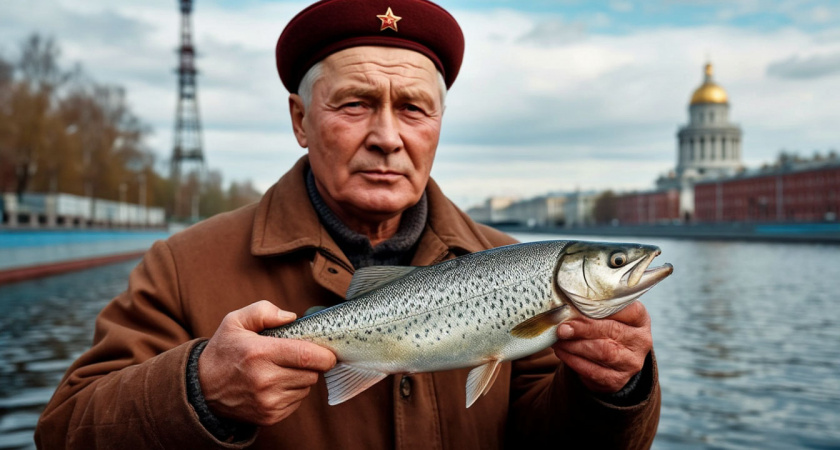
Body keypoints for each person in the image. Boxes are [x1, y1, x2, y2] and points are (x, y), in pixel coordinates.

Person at [35, 0, 661, 448]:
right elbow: (64, 431)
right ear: (301, 120)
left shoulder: (507, 259)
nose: (387, 137)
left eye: (414, 108)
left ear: (439, 124)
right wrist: (199, 390)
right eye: (355, 104)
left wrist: (614, 392)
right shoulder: (181, 266)